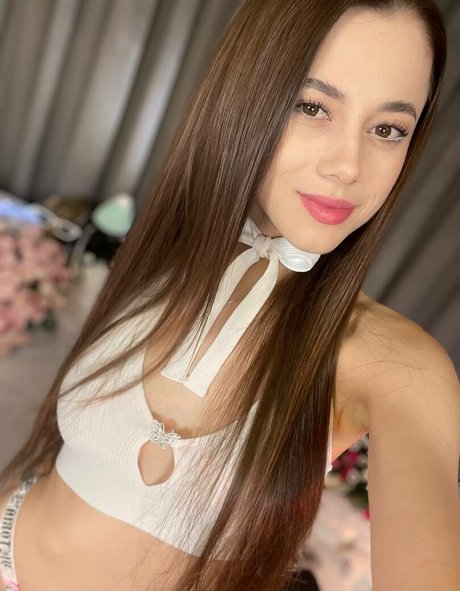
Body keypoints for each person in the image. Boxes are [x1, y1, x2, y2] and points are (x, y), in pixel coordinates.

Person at [0, 0, 458, 590]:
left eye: (387, 129)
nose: (348, 165)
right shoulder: (174, 249)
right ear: (246, 97)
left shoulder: (397, 365)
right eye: (312, 106)